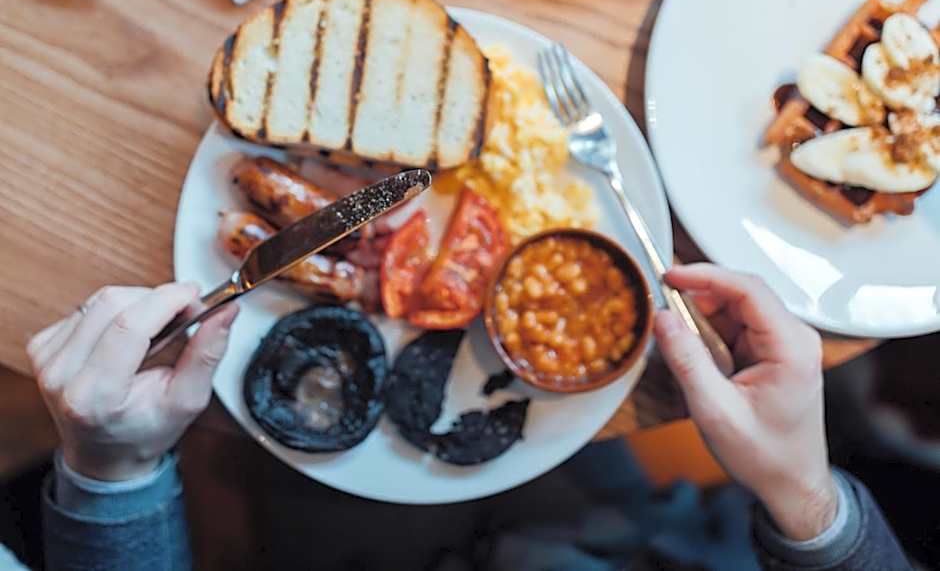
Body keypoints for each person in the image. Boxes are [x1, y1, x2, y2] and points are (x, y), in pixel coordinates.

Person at [12, 265, 910, 570]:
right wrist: (805, 502)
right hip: (646, 531)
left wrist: (111, 478)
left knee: (310, 503)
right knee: (578, 474)